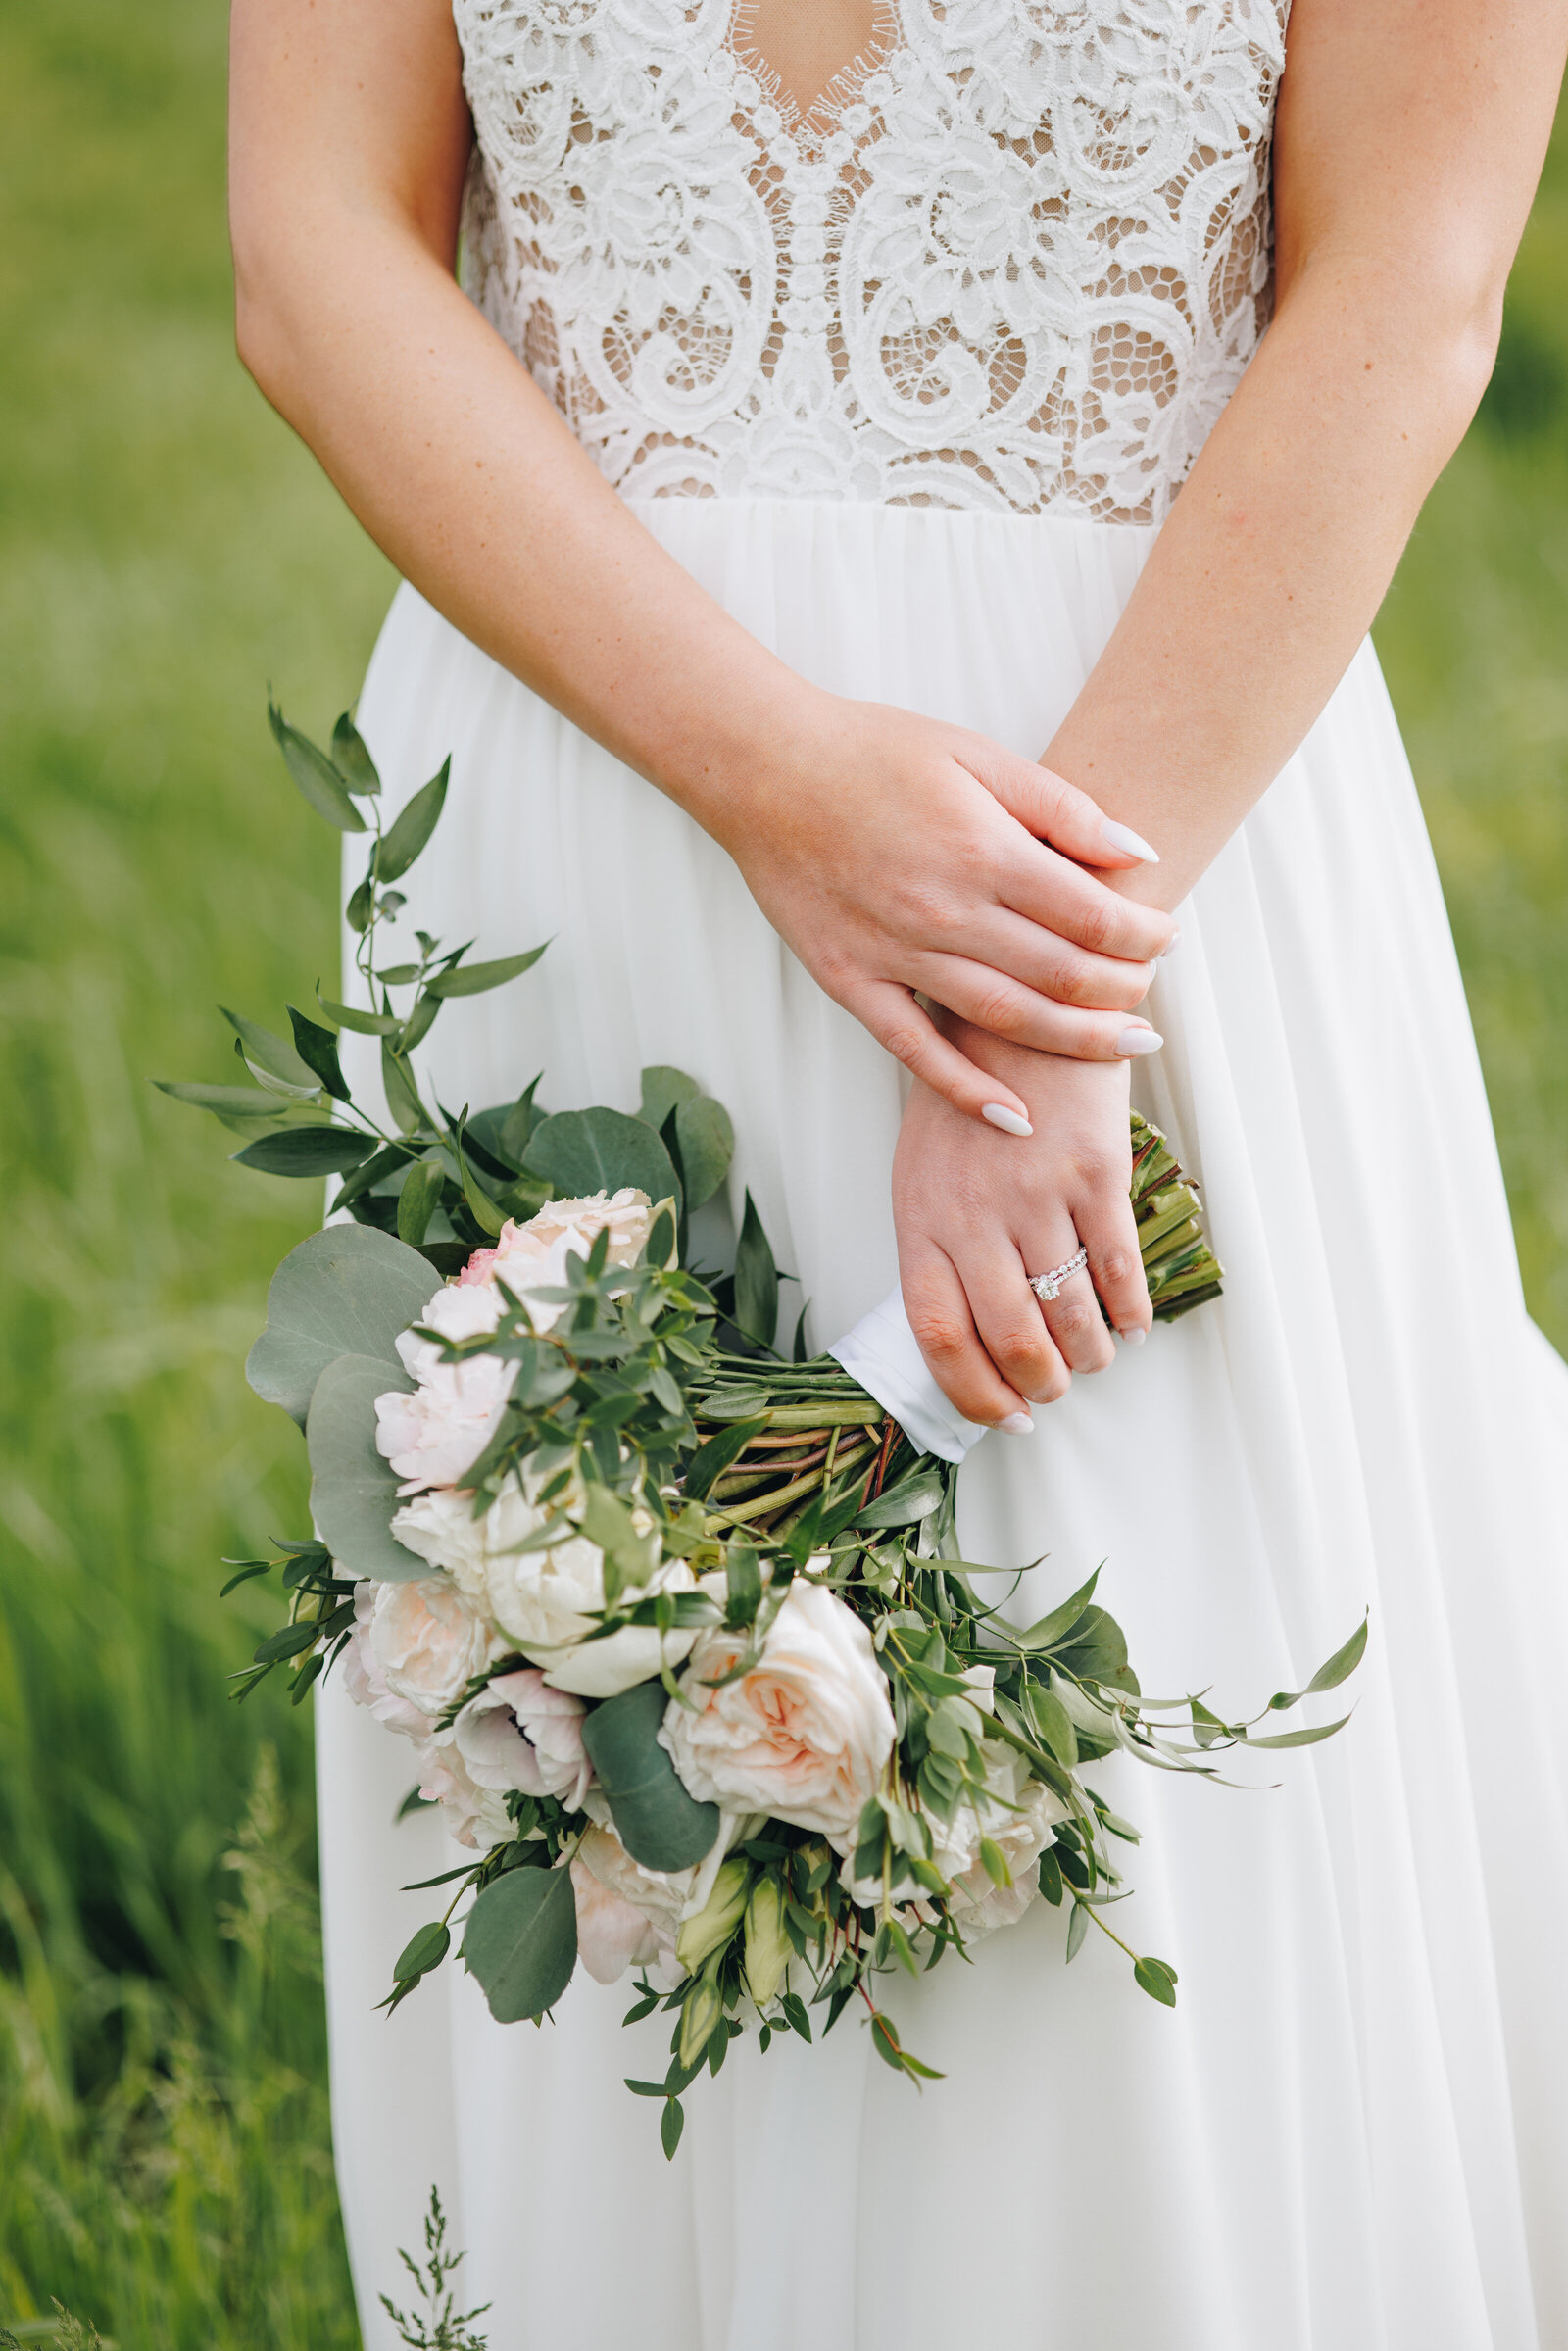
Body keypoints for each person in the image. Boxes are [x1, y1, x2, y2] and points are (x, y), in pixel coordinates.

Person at [228, 2, 1568, 2343]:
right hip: (581, 798)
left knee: (1143, 1857)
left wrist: (1041, 1010)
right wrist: (773, 783)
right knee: (596, 1776)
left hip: (1138, 824)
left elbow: (1408, 274)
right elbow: (317, 243)